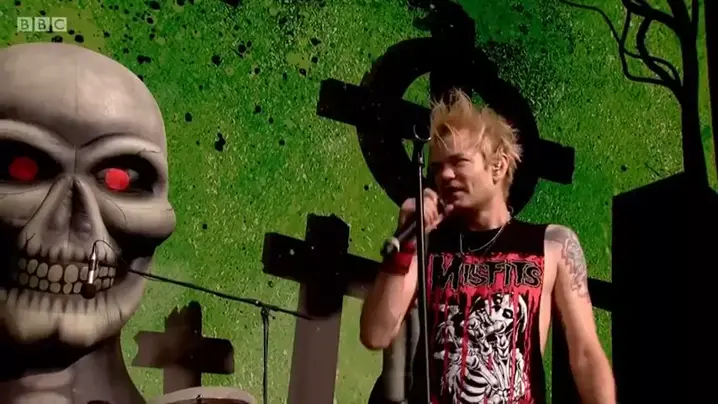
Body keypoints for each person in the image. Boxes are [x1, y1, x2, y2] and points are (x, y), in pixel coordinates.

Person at [359, 89, 615, 403]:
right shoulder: (427, 245)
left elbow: (586, 354)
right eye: (437, 168)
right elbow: (376, 334)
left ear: (498, 166)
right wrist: (405, 241)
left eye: (458, 162)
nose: (445, 175)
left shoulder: (552, 244)